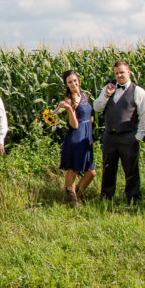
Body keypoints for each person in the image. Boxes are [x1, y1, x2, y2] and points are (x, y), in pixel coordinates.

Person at [93, 61, 145, 203]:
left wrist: (138, 137)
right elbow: (97, 108)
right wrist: (106, 95)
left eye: (122, 72)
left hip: (128, 137)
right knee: (108, 169)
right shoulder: (108, 88)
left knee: (131, 169)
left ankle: (133, 198)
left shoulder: (138, 92)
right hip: (109, 137)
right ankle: (106, 197)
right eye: (117, 73)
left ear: (129, 72)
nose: (119, 75)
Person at [57, 70, 96, 205]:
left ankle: (78, 193)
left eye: (74, 80)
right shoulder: (70, 100)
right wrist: (69, 109)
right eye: (69, 82)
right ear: (66, 85)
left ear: (78, 80)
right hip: (76, 136)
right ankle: (72, 200)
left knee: (91, 172)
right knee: (73, 169)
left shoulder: (84, 96)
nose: (73, 84)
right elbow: (74, 124)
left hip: (86, 135)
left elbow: (89, 116)